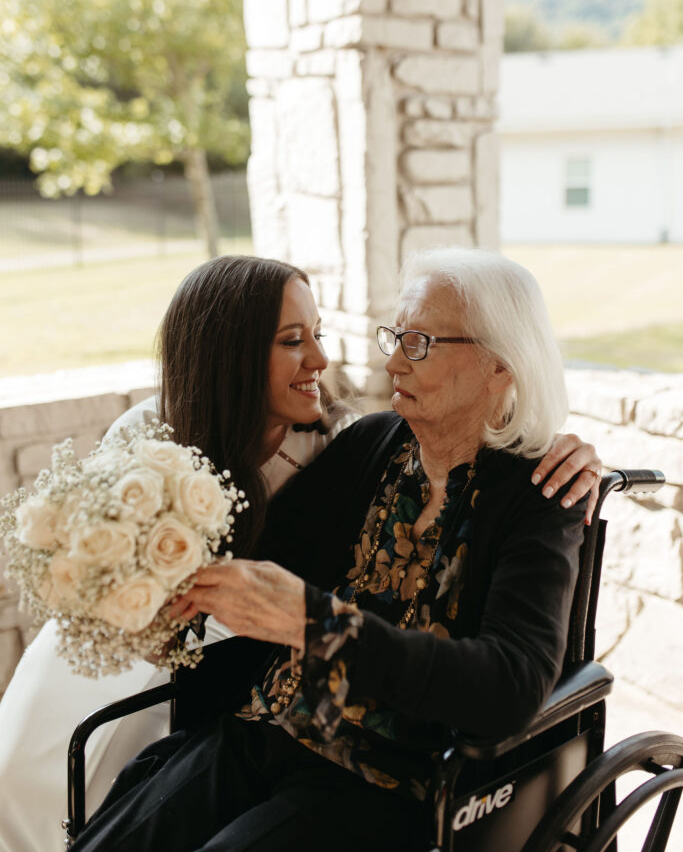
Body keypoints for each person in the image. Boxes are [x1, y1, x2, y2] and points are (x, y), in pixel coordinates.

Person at [70, 246, 599, 852]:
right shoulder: (372, 444)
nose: (394, 362)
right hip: (266, 728)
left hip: (385, 781)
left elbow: (510, 685)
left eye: (421, 343)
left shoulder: (538, 496)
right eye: (396, 336)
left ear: (501, 365)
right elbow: (257, 552)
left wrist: (317, 624)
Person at [0, 256, 354, 852]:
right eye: (293, 341)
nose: (319, 359)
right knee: (24, 783)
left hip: (223, 677)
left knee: (132, 799)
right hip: (105, 648)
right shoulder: (150, 428)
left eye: (318, 334)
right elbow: (98, 556)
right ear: (231, 353)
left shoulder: (336, 446)